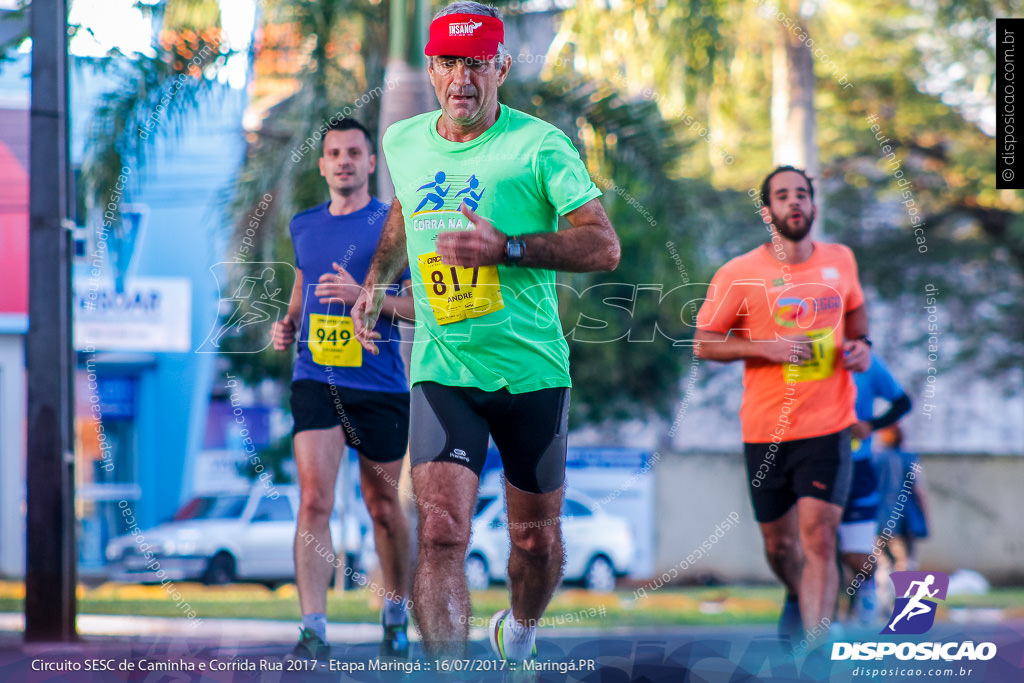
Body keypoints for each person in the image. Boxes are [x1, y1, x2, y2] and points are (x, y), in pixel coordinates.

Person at [350, 0, 620, 660]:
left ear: (500, 66)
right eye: (448, 64)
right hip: (445, 368)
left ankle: (520, 633)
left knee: (536, 542)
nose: (461, 79)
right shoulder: (405, 140)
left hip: (531, 370)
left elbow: (603, 246)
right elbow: (404, 209)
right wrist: (377, 276)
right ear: (432, 68)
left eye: (476, 64)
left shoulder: (541, 146)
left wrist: (510, 249)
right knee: (441, 531)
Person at [694, 165, 871, 650]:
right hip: (766, 430)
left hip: (829, 422)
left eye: (802, 195)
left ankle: (816, 653)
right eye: (782, 196)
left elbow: (855, 311)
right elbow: (705, 344)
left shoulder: (841, 260)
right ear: (768, 211)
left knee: (820, 536)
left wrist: (862, 344)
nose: (794, 203)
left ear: (813, 206)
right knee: (781, 545)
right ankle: (797, 592)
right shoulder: (740, 272)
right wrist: (766, 347)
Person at [271, 118, 416, 660]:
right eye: (334, 153)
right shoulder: (305, 225)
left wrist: (366, 293)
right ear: (323, 163)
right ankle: (313, 627)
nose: (344, 161)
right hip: (316, 375)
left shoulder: (392, 225)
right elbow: (305, 280)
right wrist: (287, 323)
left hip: (378, 383)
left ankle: (396, 612)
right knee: (315, 501)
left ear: (371, 163)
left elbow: (418, 308)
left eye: (355, 152)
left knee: (382, 505)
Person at [840, 352, 911, 626]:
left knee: (868, 559)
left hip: (863, 482)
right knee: (818, 549)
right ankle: (822, 617)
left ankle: (888, 607)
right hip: (812, 468)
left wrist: (869, 424)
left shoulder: (866, 362)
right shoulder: (798, 353)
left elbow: (903, 402)